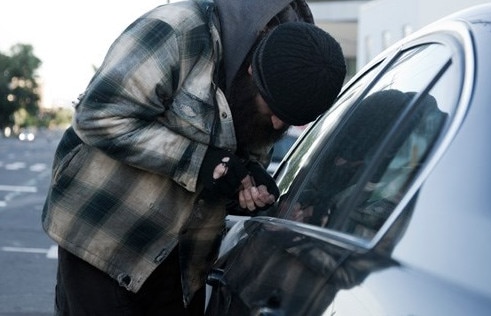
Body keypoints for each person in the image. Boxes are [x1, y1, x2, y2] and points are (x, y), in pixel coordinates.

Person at [41, 0, 347, 314]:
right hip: (106, 242)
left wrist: (243, 184)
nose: (277, 125)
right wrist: (201, 163)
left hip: (185, 264)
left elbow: (228, 164)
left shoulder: (289, 72)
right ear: (253, 69)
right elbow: (99, 116)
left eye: (288, 120)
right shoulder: (178, 30)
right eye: (274, 112)